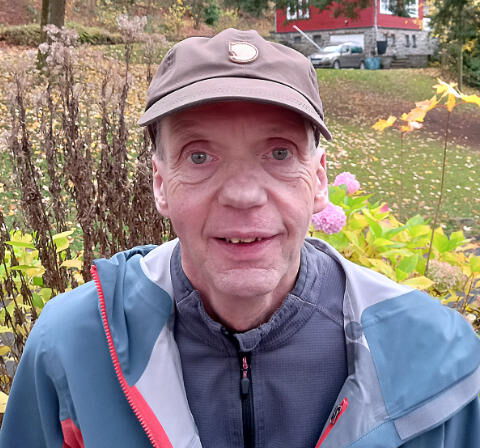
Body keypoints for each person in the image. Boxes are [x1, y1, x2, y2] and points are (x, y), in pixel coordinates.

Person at [1, 28, 479, 448]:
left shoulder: (434, 357)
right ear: (160, 184)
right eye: (199, 157)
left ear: (319, 179)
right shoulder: (72, 351)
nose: (244, 195)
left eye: (279, 153)